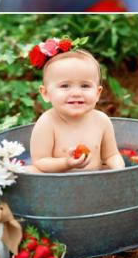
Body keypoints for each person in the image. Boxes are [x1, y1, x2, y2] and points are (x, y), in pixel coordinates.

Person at [26, 38, 125, 173]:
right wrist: (67, 163)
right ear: (46, 93)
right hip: (57, 183)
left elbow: (111, 155)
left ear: (97, 93)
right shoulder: (47, 123)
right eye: (65, 86)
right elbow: (40, 161)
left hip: (96, 181)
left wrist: (119, 169)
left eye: (85, 86)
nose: (76, 93)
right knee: (29, 171)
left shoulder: (101, 120)